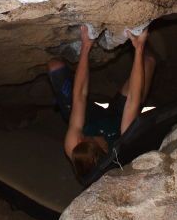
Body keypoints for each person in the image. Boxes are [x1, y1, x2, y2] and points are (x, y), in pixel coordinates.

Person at [47, 25, 156, 183]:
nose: (82, 139)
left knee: (54, 66)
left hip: (90, 116)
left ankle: (71, 66)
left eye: (82, 140)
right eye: (89, 139)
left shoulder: (73, 145)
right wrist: (138, 48)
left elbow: (80, 96)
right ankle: (143, 45)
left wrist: (85, 46)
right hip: (117, 119)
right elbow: (133, 99)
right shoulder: (122, 145)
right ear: (104, 148)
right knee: (149, 61)